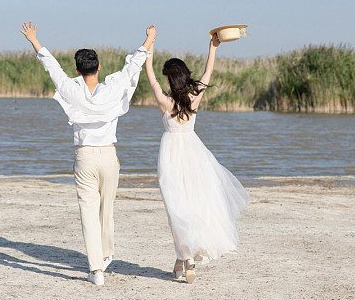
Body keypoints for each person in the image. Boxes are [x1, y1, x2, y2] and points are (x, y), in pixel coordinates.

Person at [20, 21, 156, 286]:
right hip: (108, 156)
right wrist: (149, 39)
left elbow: (52, 68)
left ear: (77, 70)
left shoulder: (72, 89)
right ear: (99, 68)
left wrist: (34, 40)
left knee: (88, 211)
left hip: (84, 157)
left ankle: (96, 270)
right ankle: (105, 254)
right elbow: (133, 67)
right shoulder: (112, 89)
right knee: (107, 209)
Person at [142, 32, 249, 283]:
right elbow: (208, 73)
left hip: (170, 157)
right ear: (185, 76)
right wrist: (213, 47)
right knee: (193, 204)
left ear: (169, 78)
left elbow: (148, 72)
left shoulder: (164, 101)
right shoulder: (194, 97)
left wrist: (151, 43)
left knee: (176, 209)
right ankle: (183, 261)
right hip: (194, 154)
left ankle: (184, 259)